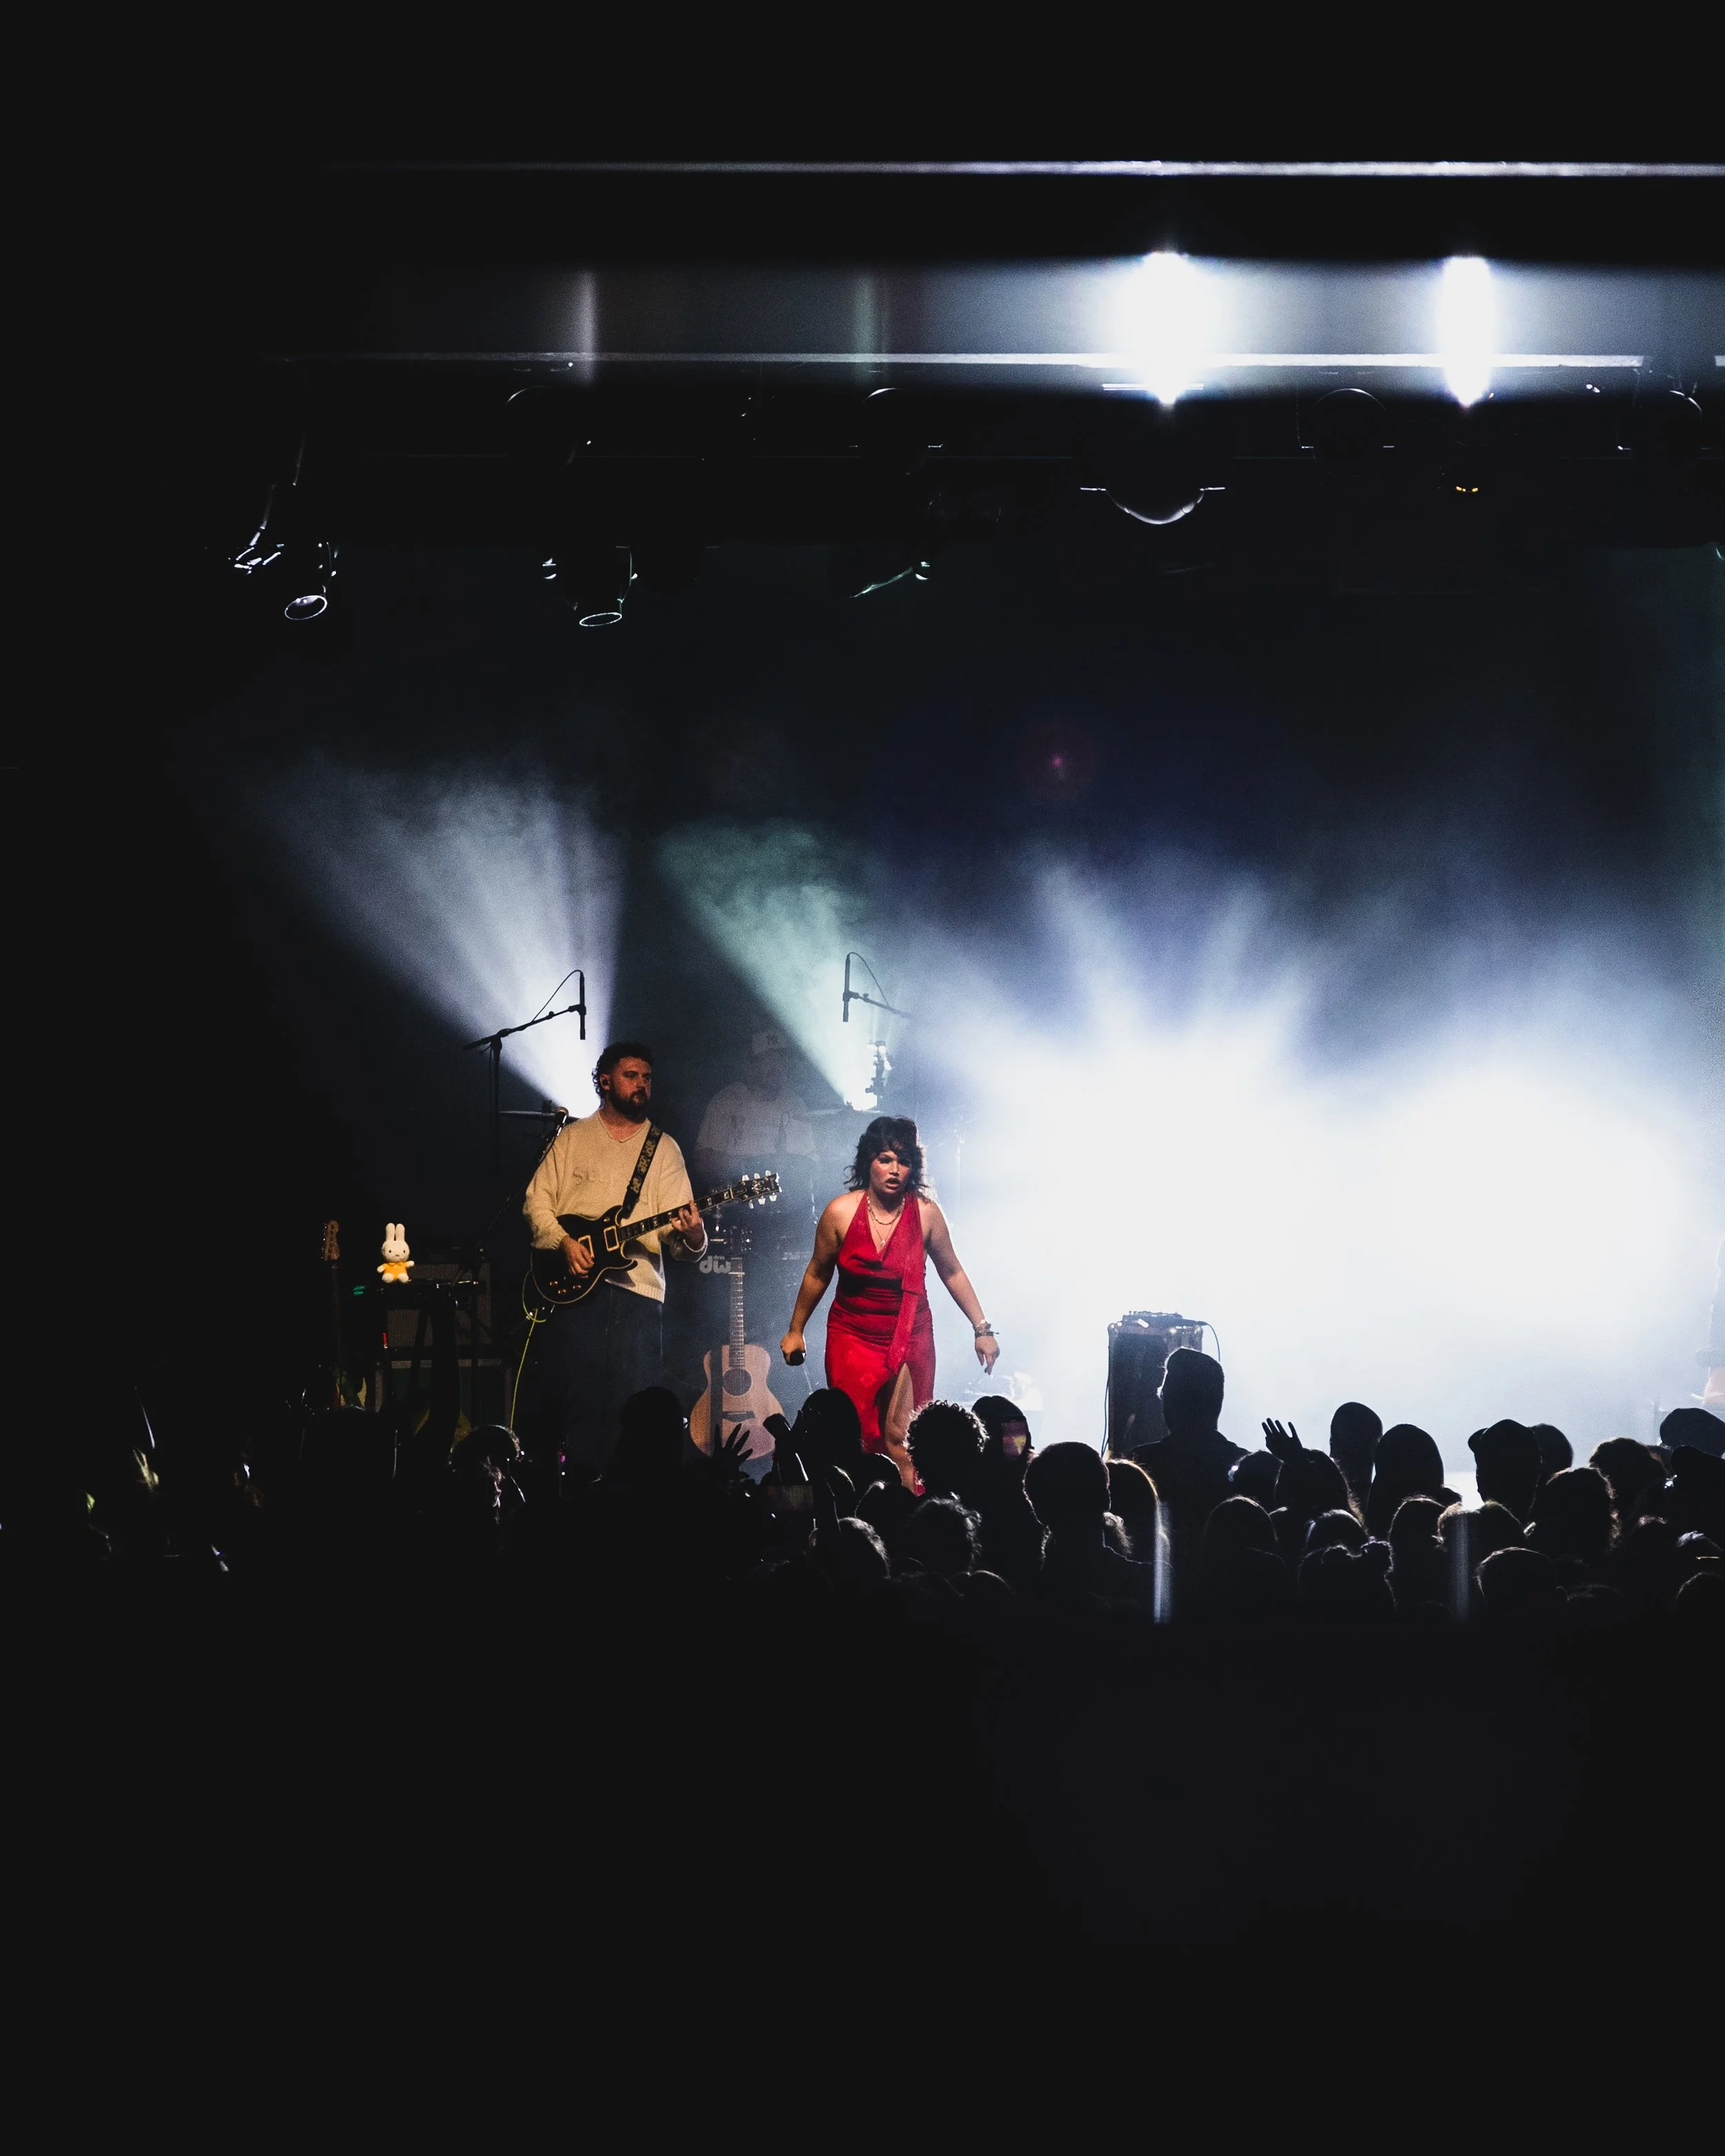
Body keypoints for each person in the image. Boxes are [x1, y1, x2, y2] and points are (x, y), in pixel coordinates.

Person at [780, 1115, 997, 1487]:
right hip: (852, 1335)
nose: (895, 1170)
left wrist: (982, 1328)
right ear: (869, 1162)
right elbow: (818, 1273)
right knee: (855, 1439)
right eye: (886, 1159)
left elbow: (952, 1271)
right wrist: (795, 1330)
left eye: (905, 1160)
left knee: (904, 1439)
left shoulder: (927, 1213)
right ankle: (858, 1520)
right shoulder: (840, 1212)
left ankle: (908, 1521)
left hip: (909, 1335)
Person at [522, 1041, 708, 1470]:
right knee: (576, 1407)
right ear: (605, 1081)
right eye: (631, 1076)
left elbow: (679, 1245)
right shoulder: (571, 1138)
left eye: (647, 1078)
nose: (642, 1085)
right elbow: (536, 1204)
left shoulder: (664, 1149)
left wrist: (695, 1236)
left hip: (639, 1296)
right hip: (573, 1294)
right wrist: (563, 1243)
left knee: (636, 1412)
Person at [691, 1029, 817, 1194]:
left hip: (785, 1198)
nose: (777, 1066)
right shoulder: (727, 1100)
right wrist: (748, 1165)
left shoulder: (795, 1104)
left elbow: (811, 1165)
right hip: (738, 1197)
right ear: (751, 1064)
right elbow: (702, 1161)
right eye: (768, 1059)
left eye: (781, 1059)